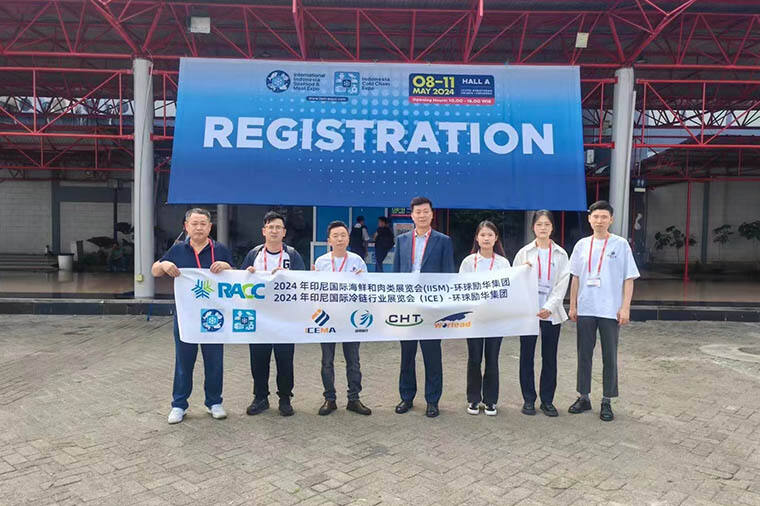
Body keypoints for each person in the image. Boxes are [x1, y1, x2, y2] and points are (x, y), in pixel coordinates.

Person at [151, 208, 233, 424]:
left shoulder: (220, 249)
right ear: (186, 226)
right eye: (194, 223)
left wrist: (227, 267)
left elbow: (236, 278)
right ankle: (179, 405)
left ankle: (214, 402)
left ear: (210, 227)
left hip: (215, 318)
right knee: (184, 362)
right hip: (186, 318)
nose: (199, 227)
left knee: (214, 361)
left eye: (203, 223)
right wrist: (164, 264)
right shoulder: (178, 250)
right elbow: (154, 270)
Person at [567, 200, 639, 422]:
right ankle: (584, 397)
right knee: (584, 354)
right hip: (586, 308)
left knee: (610, 356)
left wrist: (625, 307)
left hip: (610, 310)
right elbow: (575, 278)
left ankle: (607, 400)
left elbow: (629, 278)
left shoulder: (620, 245)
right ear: (589, 219)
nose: (599, 221)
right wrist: (572, 305)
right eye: (595, 217)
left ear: (611, 220)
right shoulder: (581, 245)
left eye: (603, 217)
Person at [393, 196, 455, 418]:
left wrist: (443, 307)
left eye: (425, 211)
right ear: (411, 215)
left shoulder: (443, 241)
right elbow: (396, 275)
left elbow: (448, 275)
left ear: (432, 214)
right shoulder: (402, 241)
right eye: (417, 212)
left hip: (432, 307)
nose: (421, 215)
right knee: (407, 355)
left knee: (432, 355)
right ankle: (406, 397)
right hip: (408, 306)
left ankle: (432, 400)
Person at [240, 211, 306, 417]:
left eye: (278, 227)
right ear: (263, 231)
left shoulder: (292, 255)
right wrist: (247, 274)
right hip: (259, 318)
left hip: (284, 318)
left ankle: (285, 399)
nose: (274, 231)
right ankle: (260, 398)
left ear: (284, 232)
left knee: (285, 359)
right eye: (270, 227)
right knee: (259, 359)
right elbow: (239, 283)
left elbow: (302, 283)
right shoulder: (254, 254)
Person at [514, 210, 570, 418]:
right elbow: (514, 280)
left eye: (547, 224)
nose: (543, 228)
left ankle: (547, 400)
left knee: (549, 357)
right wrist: (523, 270)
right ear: (533, 228)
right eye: (539, 224)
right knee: (526, 357)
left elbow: (563, 283)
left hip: (551, 313)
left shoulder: (561, 254)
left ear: (552, 227)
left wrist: (550, 306)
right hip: (529, 312)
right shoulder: (524, 253)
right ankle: (528, 399)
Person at [313, 221, 372, 416]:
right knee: (327, 361)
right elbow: (312, 289)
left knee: (353, 361)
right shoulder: (320, 262)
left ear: (348, 238)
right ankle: (329, 399)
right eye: (335, 236)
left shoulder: (357, 261)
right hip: (327, 318)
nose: (339, 239)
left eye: (343, 235)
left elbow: (367, 288)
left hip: (351, 318)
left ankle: (354, 399)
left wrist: (361, 278)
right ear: (328, 240)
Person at [458, 220, 511, 416]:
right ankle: (473, 399)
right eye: (483, 235)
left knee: (492, 359)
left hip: (496, 320)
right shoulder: (468, 262)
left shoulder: (503, 263)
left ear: (496, 238)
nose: (486, 238)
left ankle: (490, 400)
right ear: (477, 238)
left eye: (490, 235)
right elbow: (461, 289)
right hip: (473, 320)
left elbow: (509, 289)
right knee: (474, 359)